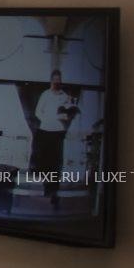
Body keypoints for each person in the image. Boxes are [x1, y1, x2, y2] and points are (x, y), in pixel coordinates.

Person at [32, 69, 79, 206]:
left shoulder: (65, 96)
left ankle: (54, 192)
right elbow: (37, 112)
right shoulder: (45, 94)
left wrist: (66, 116)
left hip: (58, 132)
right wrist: (49, 119)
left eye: (59, 79)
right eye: (55, 79)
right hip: (45, 131)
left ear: (61, 81)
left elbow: (69, 113)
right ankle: (47, 188)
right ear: (51, 80)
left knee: (56, 163)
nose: (57, 82)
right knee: (46, 161)